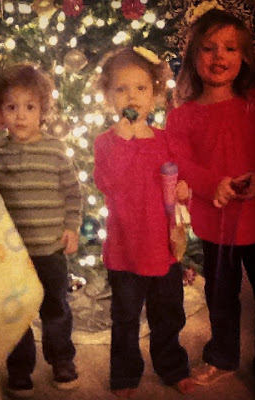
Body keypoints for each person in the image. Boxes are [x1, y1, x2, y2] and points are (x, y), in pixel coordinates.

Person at [0, 63, 83, 397]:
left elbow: (73, 193)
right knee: (15, 314)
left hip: (50, 250)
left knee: (56, 309)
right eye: (11, 107)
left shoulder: (56, 150)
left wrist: (72, 227)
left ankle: (62, 360)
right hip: (10, 254)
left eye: (30, 107)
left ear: (42, 110)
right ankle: (19, 368)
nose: (20, 115)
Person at [93, 47, 195, 399]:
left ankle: (172, 366)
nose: (131, 96)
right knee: (125, 318)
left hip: (164, 248)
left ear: (154, 96)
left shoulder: (165, 140)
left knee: (169, 315)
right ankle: (124, 375)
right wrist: (124, 140)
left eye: (140, 88)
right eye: (121, 89)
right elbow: (109, 183)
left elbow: (179, 186)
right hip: (125, 251)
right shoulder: (106, 143)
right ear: (108, 97)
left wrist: (183, 190)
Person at [165, 9, 255, 386]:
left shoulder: (253, 102)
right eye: (209, 48)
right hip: (216, 224)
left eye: (230, 48)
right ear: (193, 56)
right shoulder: (182, 116)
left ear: (244, 57)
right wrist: (212, 184)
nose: (219, 56)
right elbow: (181, 163)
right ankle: (223, 356)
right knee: (221, 296)